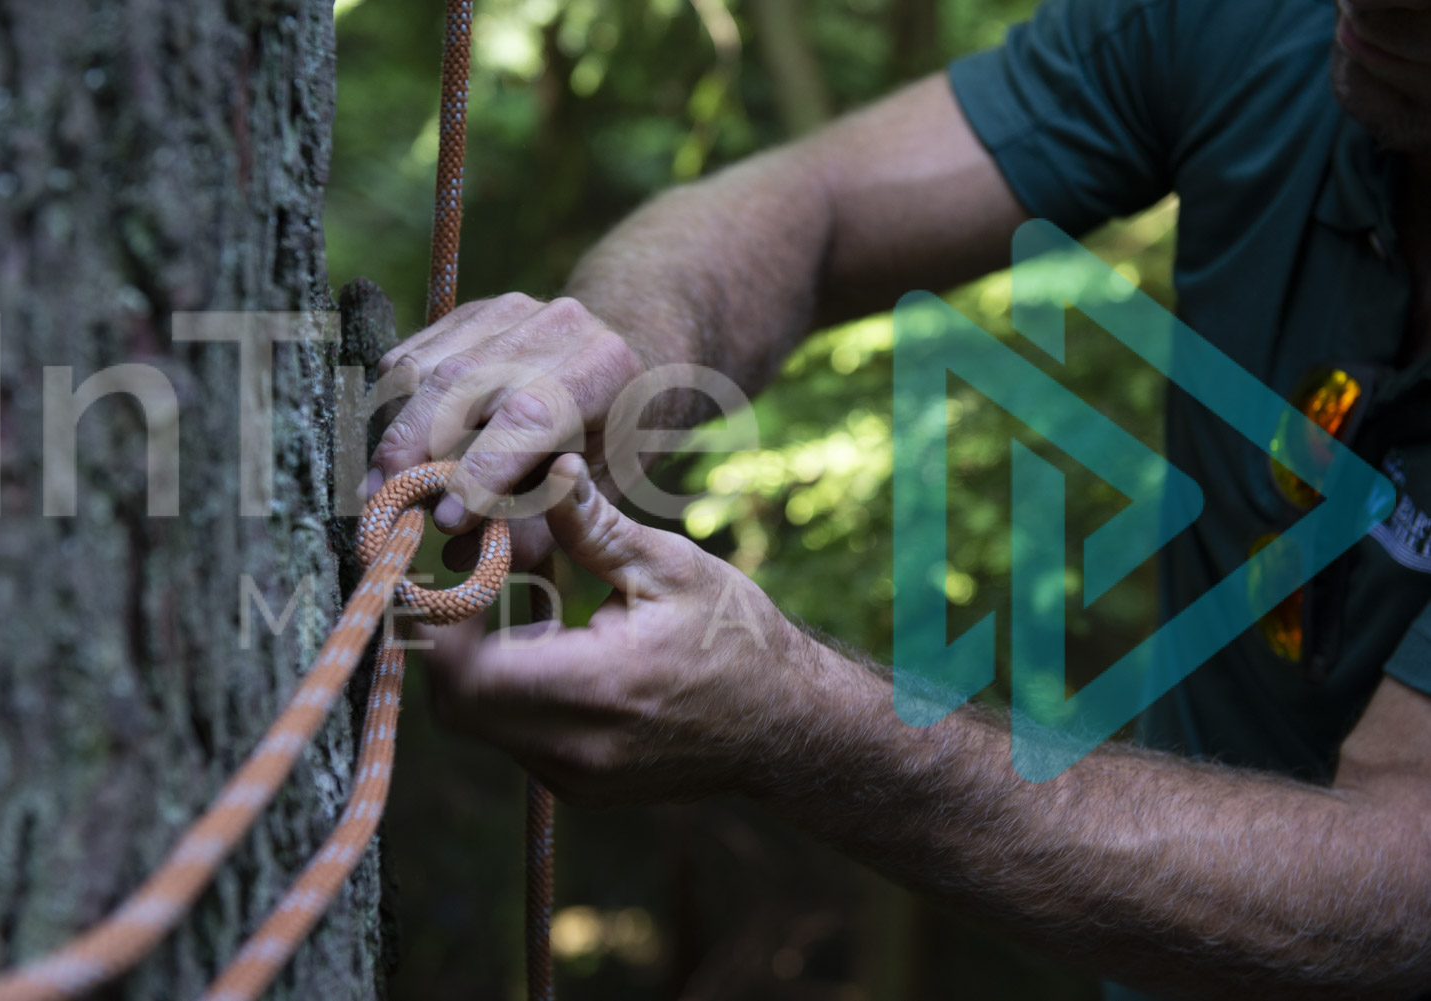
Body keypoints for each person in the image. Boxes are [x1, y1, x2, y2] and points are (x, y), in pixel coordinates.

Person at [359, 0, 1431, 996]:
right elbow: (813, 205)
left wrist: (804, 719)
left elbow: (1402, 887)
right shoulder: (1260, 26)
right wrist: (618, 355)